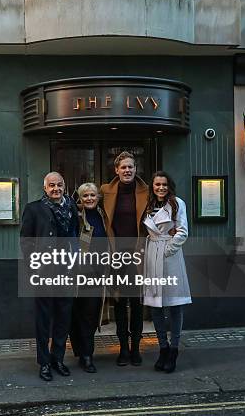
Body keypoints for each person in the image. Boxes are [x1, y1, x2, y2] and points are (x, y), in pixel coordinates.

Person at [20, 172, 78, 382]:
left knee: (63, 317)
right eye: (51, 185)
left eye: (59, 185)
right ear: (45, 188)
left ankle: (58, 359)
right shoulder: (33, 209)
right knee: (43, 320)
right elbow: (26, 242)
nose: (56, 188)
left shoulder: (71, 206)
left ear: (64, 186)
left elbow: (74, 236)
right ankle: (44, 363)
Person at [100, 151, 148, 366]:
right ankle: (123, 350)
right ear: (116, 170)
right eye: (123, 167)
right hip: (116, 257)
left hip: (139, 255)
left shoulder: (147, 191)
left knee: (137, 304)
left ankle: (136, 348)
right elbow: (88, 207)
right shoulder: (105, 191)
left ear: (135, 169)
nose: (127, 170)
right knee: (119, 304)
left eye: (131, 167)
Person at [142, 171, 191, 373]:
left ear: (169, 185)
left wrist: (167, 250)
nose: (160, 187)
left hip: (169, 256)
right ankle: (162, 348)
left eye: (163, 184)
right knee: (155, 306)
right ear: (152, 187)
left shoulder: (177, 203)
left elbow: (183, 231)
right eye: (157, 184)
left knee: (175, 305)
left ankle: (174, 349)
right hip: (152, 254)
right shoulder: (148, 204)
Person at [70, 182, 114, 373]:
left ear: (98, 197)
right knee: (75, 314)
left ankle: (87, 355)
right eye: (85, 195)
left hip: (98, 273)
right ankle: (81, 352)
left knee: (90, 314)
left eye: (92, 195)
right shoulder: (76, 216)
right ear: (80, 198)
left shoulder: (103, 216)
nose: (89, 199)